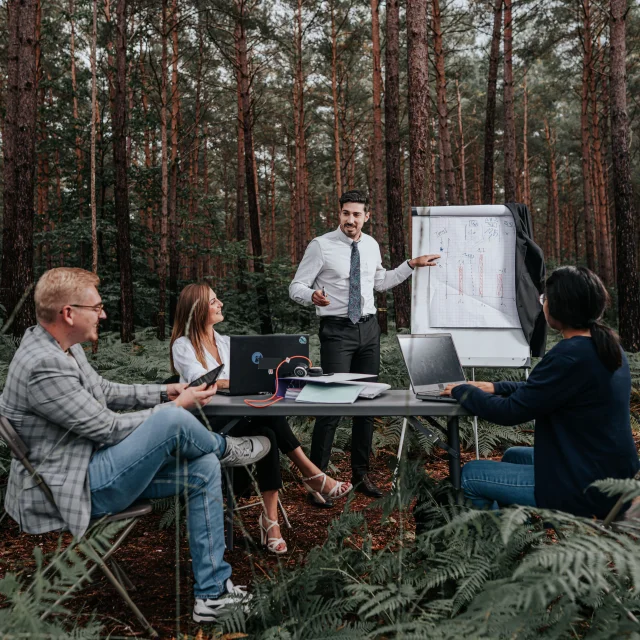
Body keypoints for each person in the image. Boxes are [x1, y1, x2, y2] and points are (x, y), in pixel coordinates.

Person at [0, 268, 273, 624]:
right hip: (71, 485)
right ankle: (226, 448)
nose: (104, 314)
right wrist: (176, 406)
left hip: (88, 463)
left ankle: (213, 594)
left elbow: (107, 391)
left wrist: (165, 391)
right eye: (96, 307)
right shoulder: (44, 365)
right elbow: (107, 428)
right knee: (171, 420)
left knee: (203, 467)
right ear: (68, 313)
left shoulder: (58, 345)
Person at [442, 266, 640, 519]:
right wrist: (497, 387)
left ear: (560, 308)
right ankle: (520, 533)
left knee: (470, 475)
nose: (543, 304)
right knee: (514, 455)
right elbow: (551, 390)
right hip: (609, 473)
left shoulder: (569, 355)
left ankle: (497, 549)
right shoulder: (604, 346)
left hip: (585, 486)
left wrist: (462, 391)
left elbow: (510, 412)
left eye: (545, 299)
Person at [170, 283, 353, 554]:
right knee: (269, 421)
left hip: (239, 417)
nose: (220, 304)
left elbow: (254, 369)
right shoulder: (183, 345)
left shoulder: (226, 342)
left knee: (268, 428)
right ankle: (311, 476)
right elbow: (203, 381)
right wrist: (232, 381)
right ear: (197, 309)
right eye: (213, 301)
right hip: (206, 423)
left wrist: (290, 367)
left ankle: (272, 521)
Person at [289, 189, 440, 504]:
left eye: (357, 214)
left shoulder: (371, 245)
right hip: (337, 332)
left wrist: (411, 264)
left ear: (366, 216)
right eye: (346, 213)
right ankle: (318, 481)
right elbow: (296, 286)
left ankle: (361, 474)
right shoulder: (321, 246)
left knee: (366, 406)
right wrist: (311, 296)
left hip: (369, 330)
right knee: (331, 407)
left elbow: (381, 282)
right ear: (339, 213)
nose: (350, 219)